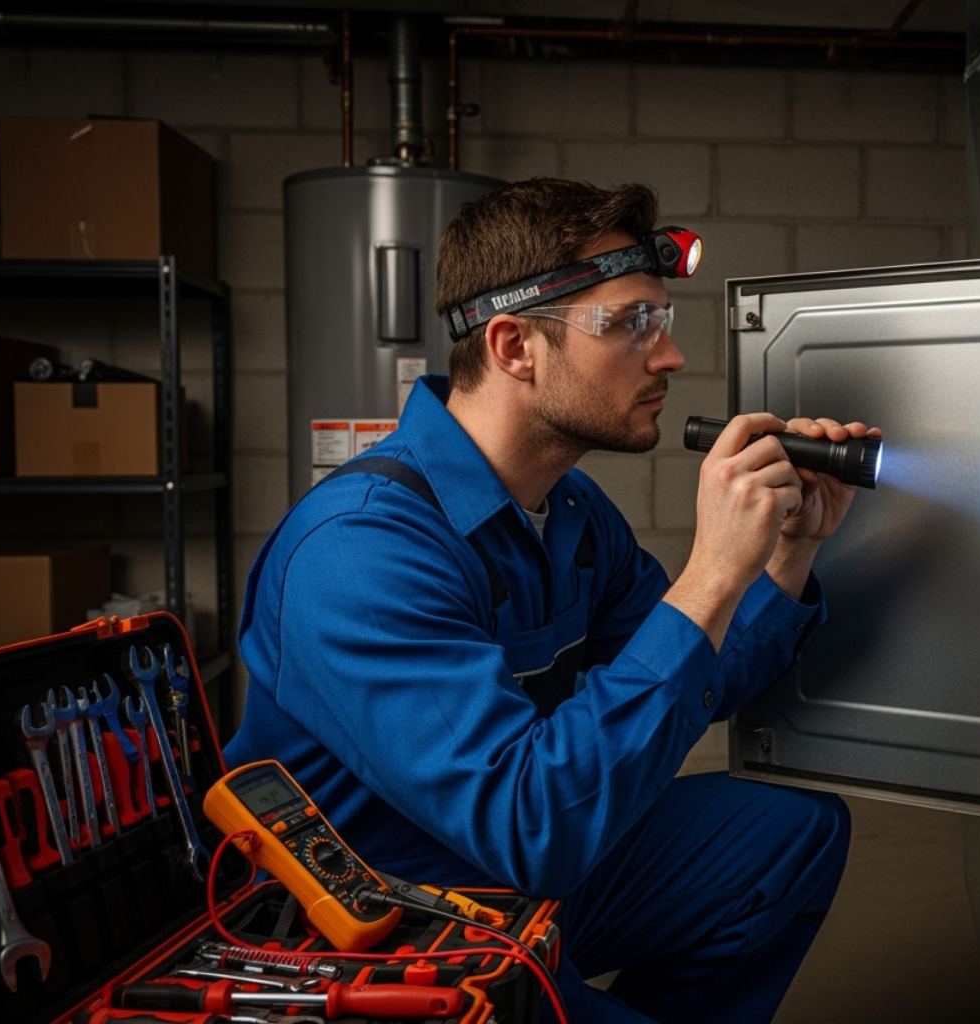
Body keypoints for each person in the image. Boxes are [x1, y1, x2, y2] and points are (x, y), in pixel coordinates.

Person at [224, 177, 880, 1023]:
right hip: (391, 925)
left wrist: (787, 558)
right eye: (627, 324)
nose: (669, 357)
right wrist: (711, 573)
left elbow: (699, 677)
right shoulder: (358, 552)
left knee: (790, 838)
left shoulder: (569, 512)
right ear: (512, 346)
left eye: (662, 320)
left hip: (516, 871)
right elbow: (532, 823)